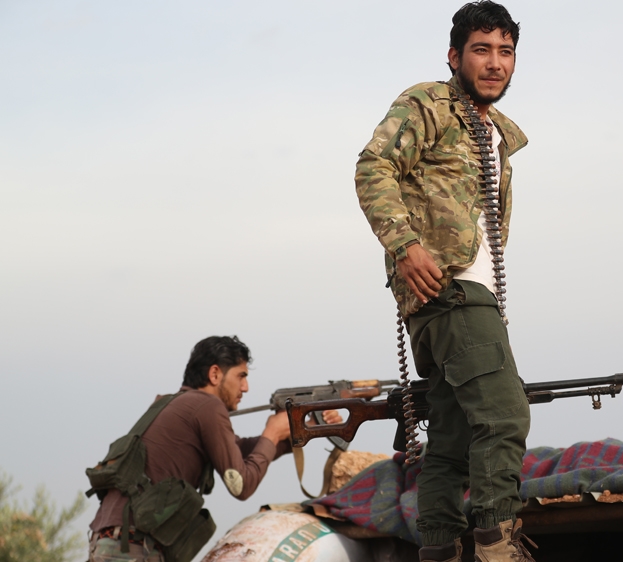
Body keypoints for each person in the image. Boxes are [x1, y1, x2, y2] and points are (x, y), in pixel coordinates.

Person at [355, 2, 532, 561]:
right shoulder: (429, 104)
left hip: (459, 298)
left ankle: (439, 550)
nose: (495, 63)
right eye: (481, 49)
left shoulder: (497, 131)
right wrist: (405, 246)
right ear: (454, 56)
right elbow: (373, 167)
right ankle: (498, 548)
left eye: (505, 51)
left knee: (452, 439)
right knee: (505, 415)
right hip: (451, 293)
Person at [86, 335, 341, 562]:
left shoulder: (179, 404)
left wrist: (305, 429)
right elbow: (241, 485)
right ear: (215, 374)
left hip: (116, 541)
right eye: (241, 376)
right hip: (131, 547)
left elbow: (239, 450)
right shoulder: (207, 406)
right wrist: (271, 434)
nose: (246, 388)